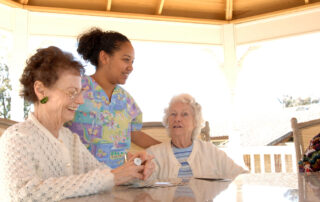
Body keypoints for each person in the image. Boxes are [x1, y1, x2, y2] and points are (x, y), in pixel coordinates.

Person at [0, 46, 154, 202]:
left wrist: (136, 169)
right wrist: (113, 176)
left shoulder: (70, 139)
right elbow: (24, 193)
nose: (81, 100)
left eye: (80, 92)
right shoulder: (17, 137)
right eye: (72, 92)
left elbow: (106, 175)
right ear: (41, 90)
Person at [66, 28, 160, 168]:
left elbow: (135, 133)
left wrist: (169, 149)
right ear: (104, 57)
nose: (131, 67)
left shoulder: (127, 101)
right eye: (126, 60)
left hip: (120, 179)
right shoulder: (76, 89)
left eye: (132, 62)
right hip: (80, 179)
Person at [145, 94, 247, 181]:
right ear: (167, 121)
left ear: (195, 122)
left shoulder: (210, 151)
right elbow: (141, 185)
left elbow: (239, 175)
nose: (177, 119)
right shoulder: (153, 154)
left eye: (184, 114)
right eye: (173, 114)